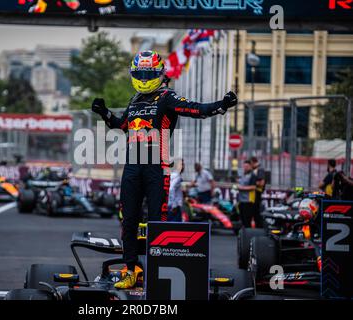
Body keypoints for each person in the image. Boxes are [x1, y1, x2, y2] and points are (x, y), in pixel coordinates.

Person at [92, 50, 238, 288]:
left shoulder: (167, 97)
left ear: (159, 74)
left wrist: (221, 105)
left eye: (148, 73)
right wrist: (105, 113)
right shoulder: (135, 100)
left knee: (157, 222)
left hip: (156, 168)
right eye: (140, 73)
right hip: (131, 167)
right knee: (128, 220)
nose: (143, 77)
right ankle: (131, 270)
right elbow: (121, 125)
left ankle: (156, 272)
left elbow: (196, 109)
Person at [237, 160, 257, 228]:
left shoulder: (253, 175)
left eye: (247, 166)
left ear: (251, 167)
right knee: (242, 219)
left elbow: (253, 187)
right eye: (244, 166)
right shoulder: (242, 175)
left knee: (247, 220)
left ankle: (248, 234)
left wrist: (241, 188)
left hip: (248, 200)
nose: (245, 168)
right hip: (241, 200)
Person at [251, 156, 265, 228]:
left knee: (256, 212)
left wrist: (251, 183)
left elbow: (261, 183)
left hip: (257, 193)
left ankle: (259, 227)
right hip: (253, 193)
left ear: (253, 163)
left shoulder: (259, 170)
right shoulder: (255, 170)